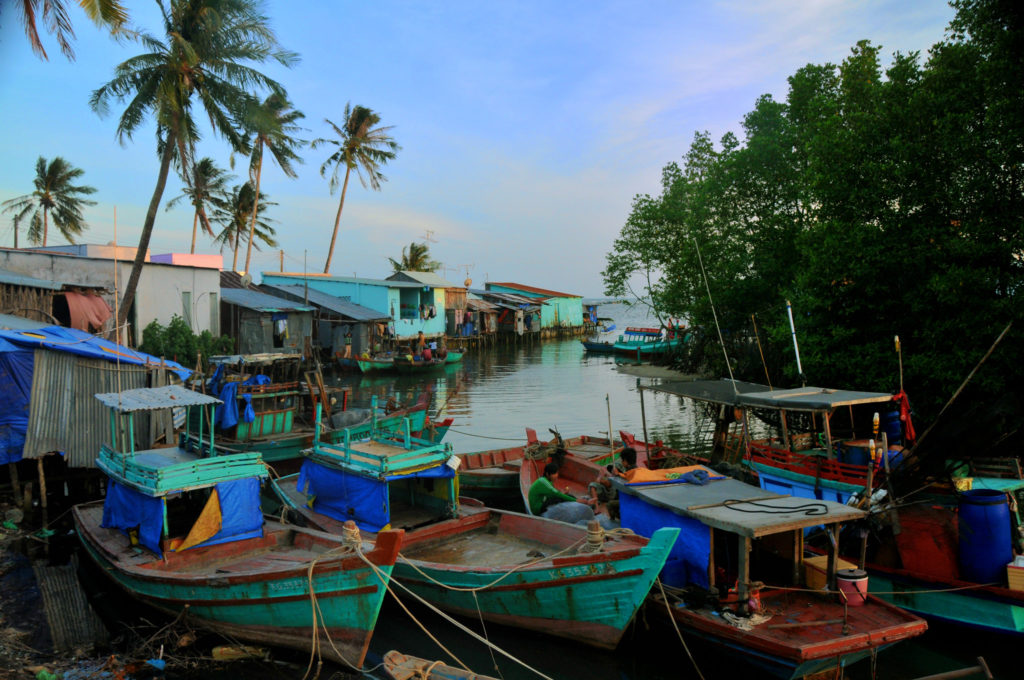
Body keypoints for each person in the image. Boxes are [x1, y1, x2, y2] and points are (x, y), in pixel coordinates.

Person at [528, 462, 597, 525]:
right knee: (563, 497)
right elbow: (557, 494)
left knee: (565, 496)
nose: (556, 475)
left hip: (543, 503)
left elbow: (552, 495)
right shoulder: (543, 481)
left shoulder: (548, 481)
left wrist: (564, 494)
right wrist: (575, 500)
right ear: (547, 474)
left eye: (557, 473)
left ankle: (583, 502)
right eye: (554, 474)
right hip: (538, 509)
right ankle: (583, 502)